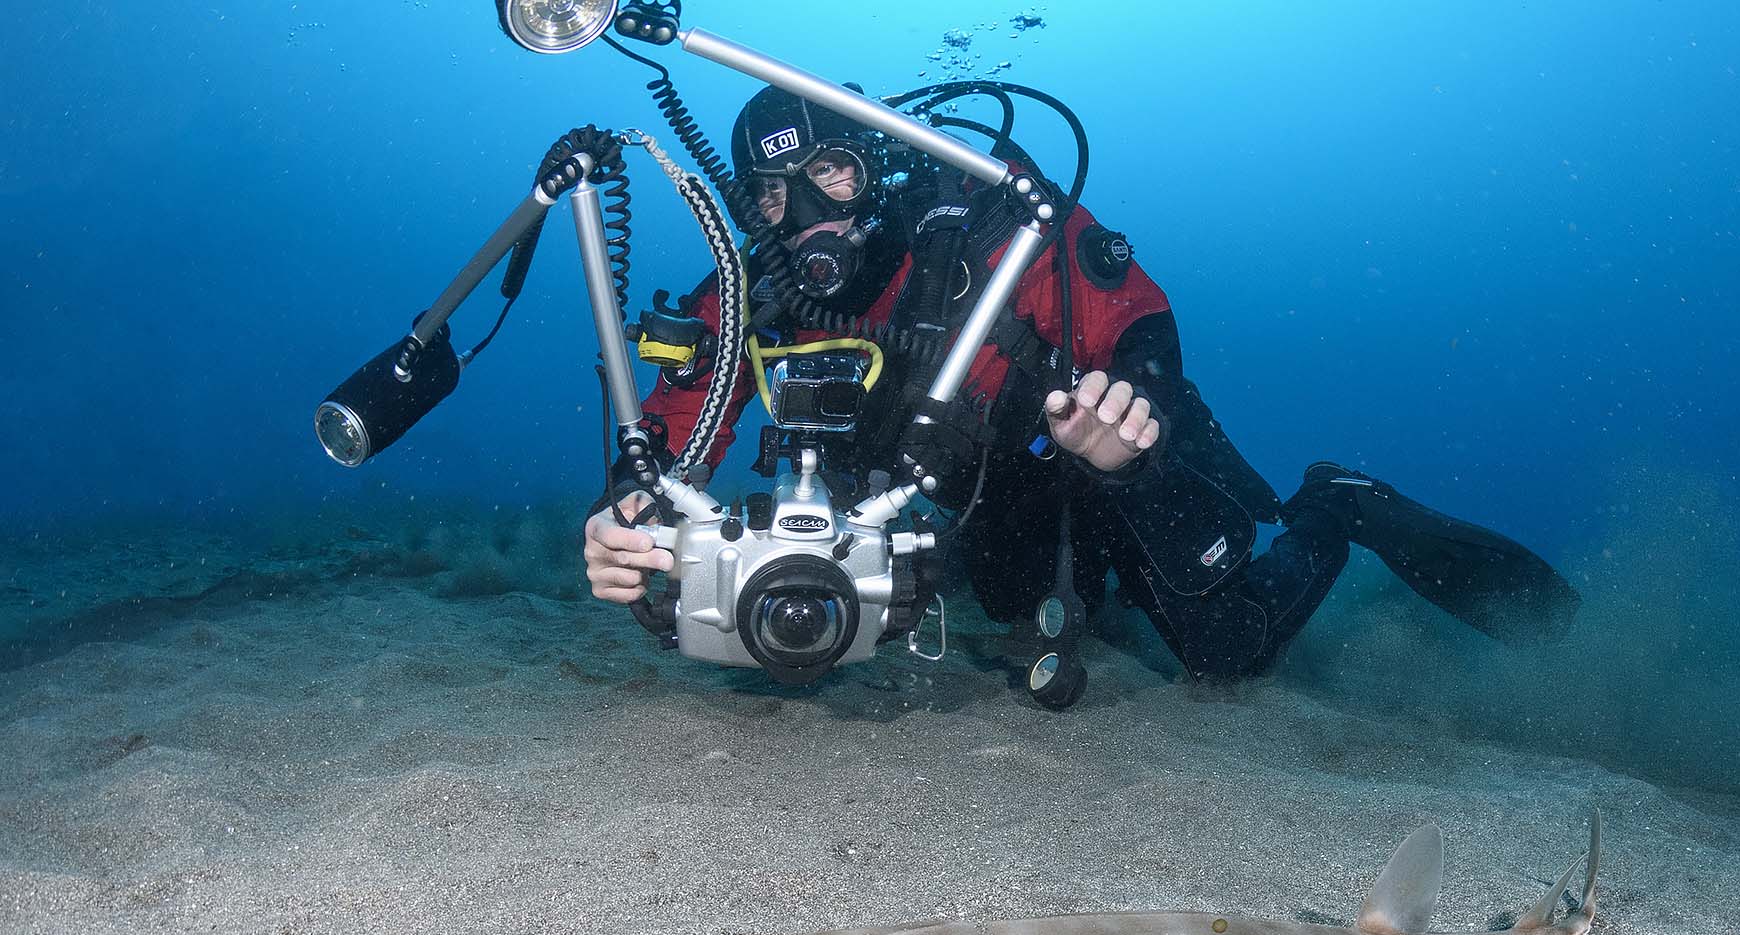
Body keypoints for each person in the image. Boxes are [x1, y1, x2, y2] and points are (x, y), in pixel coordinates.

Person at [585, 85, 1578, 679]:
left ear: (878, 169)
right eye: (767, 190)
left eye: (830, 173)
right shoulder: (752, 291)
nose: (800, 210)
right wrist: (628, 514)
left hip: (1090, 459)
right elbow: (672, 436)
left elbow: (1132, 315)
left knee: (1223, 652)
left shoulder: (981, 234)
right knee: (1020, 600)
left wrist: (1125, 416)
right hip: (973, 504)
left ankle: (1336, 505)